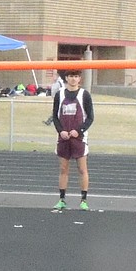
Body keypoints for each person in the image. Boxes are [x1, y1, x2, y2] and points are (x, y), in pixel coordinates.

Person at [52, 70, 94, 211]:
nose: (73, 79)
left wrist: (79, 130)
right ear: (67, 78)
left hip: (79, 138)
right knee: (63, 169)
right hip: (64, 137)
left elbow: (90, 118)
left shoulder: (84, 95)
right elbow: (55, 116)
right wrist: (61, 131)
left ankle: (83, 200)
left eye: (76, 76)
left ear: (79, 78)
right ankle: (62, 199)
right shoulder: (60, 94)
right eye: (71, 76)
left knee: (82, 169)